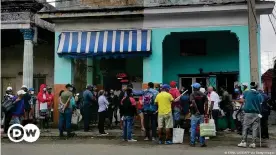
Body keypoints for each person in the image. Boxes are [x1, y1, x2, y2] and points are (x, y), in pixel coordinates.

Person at [238, 82, 263, 148]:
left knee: (245, 127)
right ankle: (253, 143)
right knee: (255, 128)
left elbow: (241, 100)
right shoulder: (259, 95)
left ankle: (243, 142)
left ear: (250, 86)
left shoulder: (246, 93)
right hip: (257, 114)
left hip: (248, 113)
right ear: (256, 87)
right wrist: (260, 113)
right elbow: (261, 104)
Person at [190, 83, 208, 147]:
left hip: (195, 114)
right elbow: (206, 104)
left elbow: (193, 102)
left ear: (194, 88)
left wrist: (197, 111)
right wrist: (205, 113)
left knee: (193, 128)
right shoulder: (203, 95)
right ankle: (202, 143)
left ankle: (192, 142)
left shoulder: (192, 94)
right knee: (202, 129)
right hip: (202, 114)